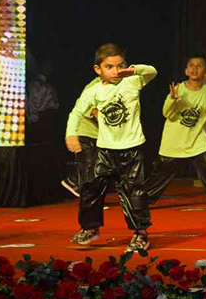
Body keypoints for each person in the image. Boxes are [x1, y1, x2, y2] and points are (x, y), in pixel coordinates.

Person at [64, 44, 157, 252]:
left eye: (119, 65)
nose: (116, 71)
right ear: (98, 69)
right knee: (90, 187)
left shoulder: (133, 81)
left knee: (134, 192)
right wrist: (71, 134)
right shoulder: (94, 91)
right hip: (105, 150)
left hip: (131, 149)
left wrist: (133, 70)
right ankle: (90, 228)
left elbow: (152, 71)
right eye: (109, 67)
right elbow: (76, 112)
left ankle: (140, 233)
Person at [153, 54, 206, 208]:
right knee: (160, 175)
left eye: (199, 65)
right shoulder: (178, 89)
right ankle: (143, 201)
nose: (194, 69)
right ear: (186, 70)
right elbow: (167, 114)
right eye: (191, 65)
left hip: (197, 138)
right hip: (174, 139)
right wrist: (172, 99)